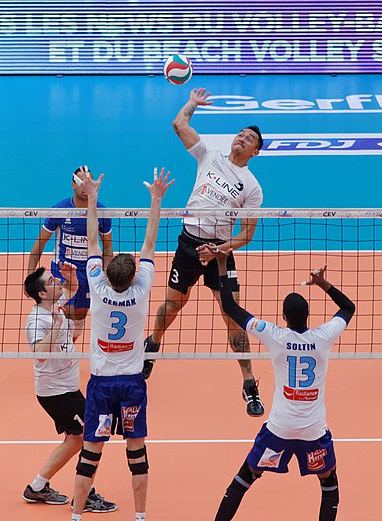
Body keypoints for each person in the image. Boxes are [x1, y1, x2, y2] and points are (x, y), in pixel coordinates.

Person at [143, 87, 266, 417]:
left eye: (249, 138)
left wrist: (219, 250)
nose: (242, 138)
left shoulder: (252, 188)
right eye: (240, 134)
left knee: (233, 315)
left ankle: (249, 383)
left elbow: (247, 235)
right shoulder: (209, 156)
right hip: (188, 245)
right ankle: (152, 344)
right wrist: (192, 104)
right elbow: (178, 124)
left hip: (220, 255)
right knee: (172, 306)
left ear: (255, 151)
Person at [211, 246, 355, 521]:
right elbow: (348, 307)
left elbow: (230, 307)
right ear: (308, 316)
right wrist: (324, 284)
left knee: (244, 478)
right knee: (329, 484)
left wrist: (221, 264)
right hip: (313, 431)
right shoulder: (323, 336)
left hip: (279, 428)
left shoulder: (274, 335)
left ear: (284, 318)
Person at [71, 166, 174, 521]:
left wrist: (93, 197)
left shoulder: (97, 288)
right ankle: (141, 516)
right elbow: (149, 243)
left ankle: (76, 515)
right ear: (132, 277)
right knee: (137, 453)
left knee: (90, 453)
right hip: (132, 384)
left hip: (101, 385)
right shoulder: (142, 288)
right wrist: (156, 200)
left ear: (109, 274)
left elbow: (93, 241)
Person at [22, 262, 116, 512]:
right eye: (51, 281)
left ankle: (38, 487)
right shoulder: (38, 319)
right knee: (93, 437)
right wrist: (55, 323)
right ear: (42, 293)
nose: (56, 281)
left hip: (66, 388)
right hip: (56, 392)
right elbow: (40, 354)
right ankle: (85, 496)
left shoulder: (52, 303)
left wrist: (71, 276)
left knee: (74, 440)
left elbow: (73, 289)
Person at [27, 166, 115, 341]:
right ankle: (61, 350)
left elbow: (108, 248)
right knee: (64, 313)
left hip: (90, 274)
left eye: (89, 181)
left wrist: (106, 277)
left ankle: (69, 345)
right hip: (63, 272)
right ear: (73, 185)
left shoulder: (103, 212)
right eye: (81, 182)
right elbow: (40, 244)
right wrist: (30, 276)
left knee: (80, 316)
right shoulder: (60, 210)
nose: (85, 185)